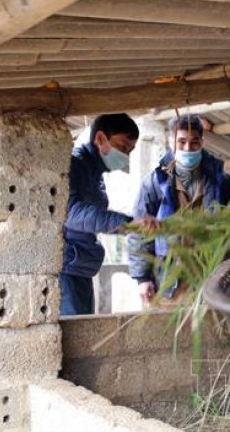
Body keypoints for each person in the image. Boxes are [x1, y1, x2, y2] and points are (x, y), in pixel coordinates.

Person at [128, 114, 230, 305]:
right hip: (168, 282)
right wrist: (142, 279)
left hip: (212, 278)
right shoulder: (154, 184)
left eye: (194, 142)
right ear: (171, 142)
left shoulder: (221, 182)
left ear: (202, 142)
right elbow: (139, 233)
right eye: (182, 142)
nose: (188, 148)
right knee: (168, 332)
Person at [61, 113, 159, 316]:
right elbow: (72, 214)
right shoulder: (75, 167)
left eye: (130, 151)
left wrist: (130, 225)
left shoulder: (94, 173)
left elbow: (95, 220)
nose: (125, 156)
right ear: (100, 139)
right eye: (123, 147)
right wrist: (128, 222)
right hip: (67, 270)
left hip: (81, 267)